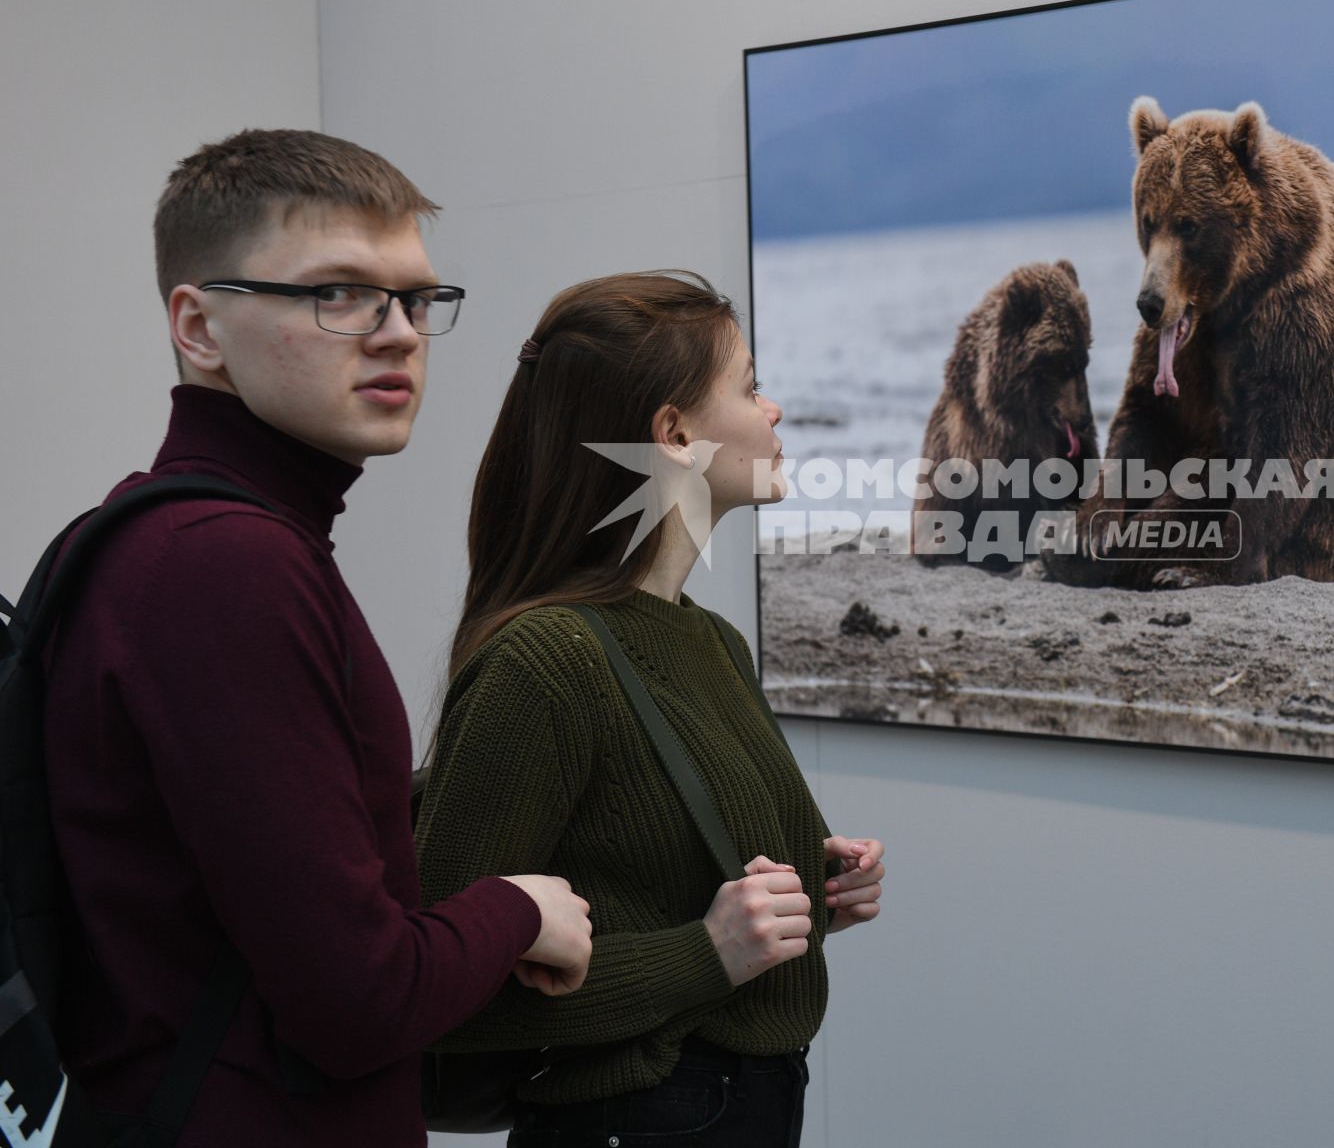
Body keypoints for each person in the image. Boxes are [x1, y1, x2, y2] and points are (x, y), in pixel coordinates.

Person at [40, 129, 595, 1146]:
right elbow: (358, 1002)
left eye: (417, 298)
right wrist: (518, 907)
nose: (397, 333)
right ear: (199, 325)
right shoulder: (225, 566)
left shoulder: (157, 533)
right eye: (337, 292)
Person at [414, 271, 886, 1147]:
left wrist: (818, 891)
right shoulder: (546, 663)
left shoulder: (711, 642)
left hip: (750, 1105)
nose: (773, 409)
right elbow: (434, 991)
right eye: (748, 387)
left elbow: (663, 879)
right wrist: (704, 954)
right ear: (673, 435)